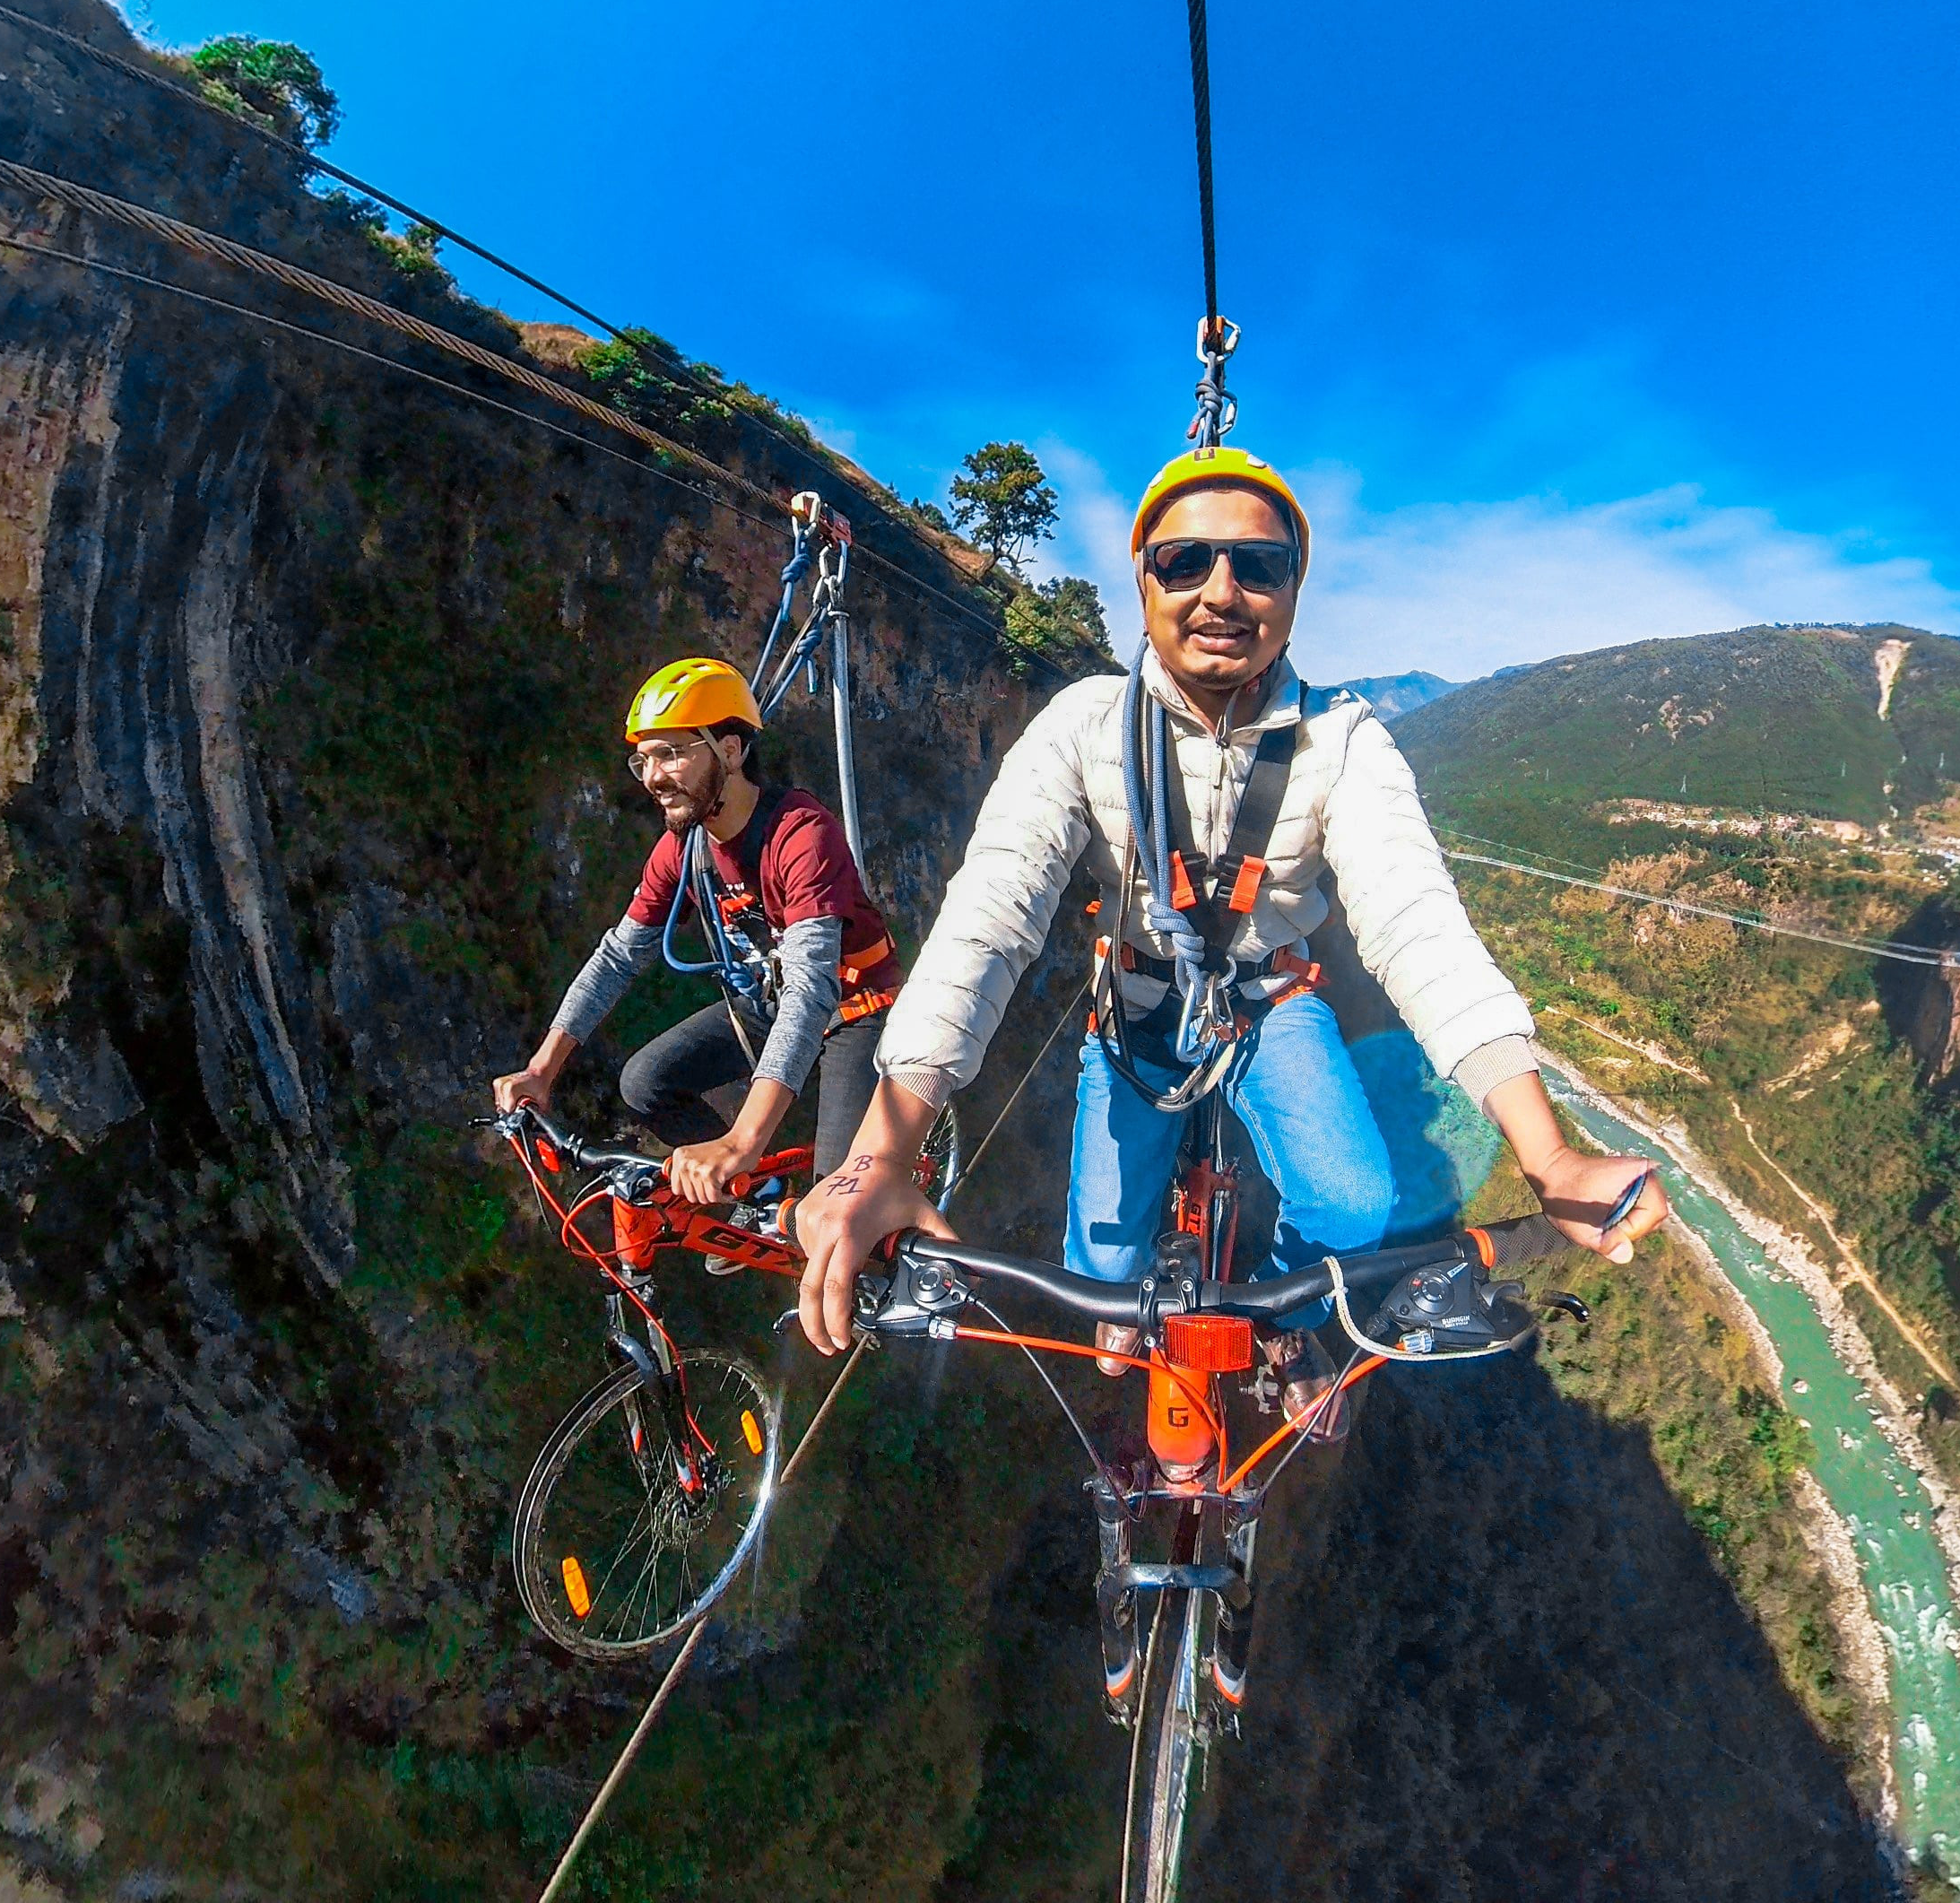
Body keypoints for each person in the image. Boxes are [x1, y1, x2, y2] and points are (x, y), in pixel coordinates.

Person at [793, 445, 1669, 1424]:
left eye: (1258, 566)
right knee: (1108, 1265)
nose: (1221, 591)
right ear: (1143, 577)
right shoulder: (1084, 727)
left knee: (1349, 1205)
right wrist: (882, 1154)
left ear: (1295, 589)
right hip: (1136, 1011)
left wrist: (1549, 1156)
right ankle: (1146, 1314)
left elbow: (1419, 927)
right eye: (1185, 561)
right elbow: (988, 920)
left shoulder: (1343, 741)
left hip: (1267, 1002)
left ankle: (1285, 1326)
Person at [493, 657, 902, 1214]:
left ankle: (869, 1276)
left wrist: (742, 1141)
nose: (655, 777)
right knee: (646, 1083)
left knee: (836, 1209)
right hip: (768, 1002)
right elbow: (618, 958)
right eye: (645, 759)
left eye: (674, 752)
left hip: (855, 1009)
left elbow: (812, 992)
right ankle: (759, 1197)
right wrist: (541, 1071)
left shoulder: (801, 835)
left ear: (731, 752)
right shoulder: (684, 850)